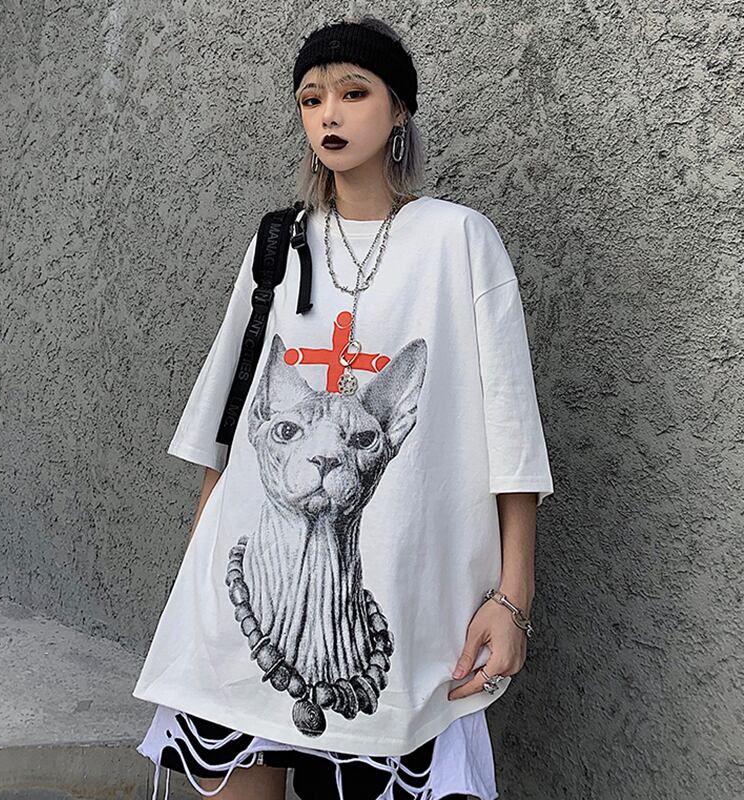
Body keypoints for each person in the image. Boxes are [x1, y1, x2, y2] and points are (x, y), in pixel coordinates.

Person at [132, 15, 554, 800]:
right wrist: (195, 586)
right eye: (311, 98)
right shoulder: (276, 245)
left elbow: (511, 438)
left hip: (401, 607)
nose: (329, 114)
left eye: (353, 93)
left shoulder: (459, 242)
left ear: (398, 111)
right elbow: (231, 426)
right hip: (251, 603)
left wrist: (513, 598)